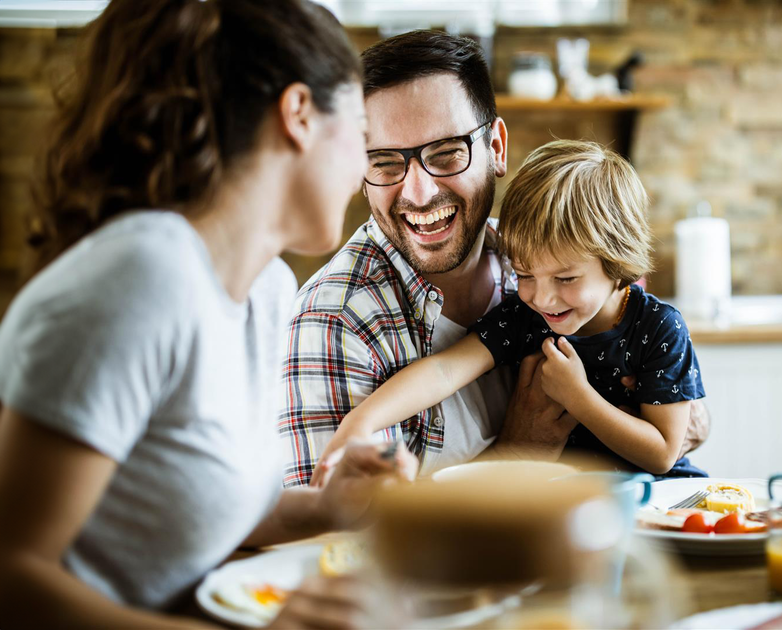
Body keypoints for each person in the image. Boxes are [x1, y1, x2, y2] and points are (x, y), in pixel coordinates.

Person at [0, 1, 416, 628]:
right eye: (360, 133)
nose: (364, 169)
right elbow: (12, 578)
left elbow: (189, 512)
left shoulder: (267, 289)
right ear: (299, 114)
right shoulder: (143, 279)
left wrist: (329, 507)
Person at [281, 30, 710, 484]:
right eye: (385, 162)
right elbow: (344, 527)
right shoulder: (335, 322)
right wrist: (519, 452)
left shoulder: (535, 253)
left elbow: (673, 435)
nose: (419, 193)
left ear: (497, 148)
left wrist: (666, 406)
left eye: (447, 153)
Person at [315, 140, 706, 479]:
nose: (543, 298)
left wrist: (577, 396)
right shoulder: (524, 317)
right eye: (525, 274)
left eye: (566, 278)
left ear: (618, 261)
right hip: (566, 505)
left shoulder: (659, 327)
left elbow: (662, 453)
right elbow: (444, 370)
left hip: (657, 500)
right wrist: (361, 422)